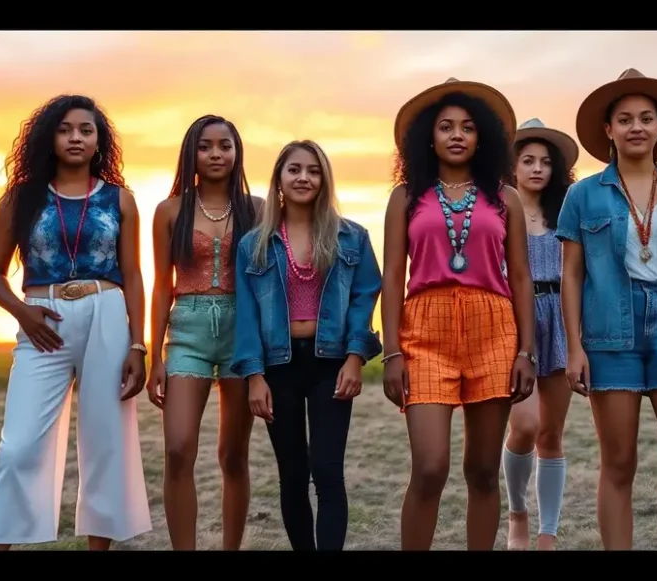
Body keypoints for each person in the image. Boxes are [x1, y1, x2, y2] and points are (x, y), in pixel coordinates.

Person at [0, 94, 152, 551]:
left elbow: (132, 274)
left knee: (106, 444)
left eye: (86, 130)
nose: (76, 137)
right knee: (19, 447)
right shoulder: (21, 198)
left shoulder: (121, 199)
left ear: (99, 141)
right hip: (42, 320)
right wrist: (22, 313)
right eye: (65, 129)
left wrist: (139, 345)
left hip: (107, 314)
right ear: (49, 137)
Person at [558, 68, 657, 550]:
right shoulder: (583, 193)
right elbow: (572, 274)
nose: (636, 127)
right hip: (610, 329)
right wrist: (574, 346)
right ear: (607, 130)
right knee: (619, 462)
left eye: (646, 118)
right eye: (624, 119)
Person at [381, 78, 538, 551]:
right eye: (445, 126)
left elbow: (522, 278)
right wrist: (391, 351)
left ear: (481, 137)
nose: (456, 135)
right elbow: (392, 276)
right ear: (427, 136)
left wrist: (526, 350)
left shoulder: (504, 197)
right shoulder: (405, 197)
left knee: (484, 471)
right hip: (424, 330)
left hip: (494, 329)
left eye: (467, 127)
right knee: (430, 469)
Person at [232, 140, 382, 551]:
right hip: (277, 368)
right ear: (279, 178)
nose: (303, 177)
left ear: (324, 179)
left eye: (313, 171)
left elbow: (365, 297)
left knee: (328, 471)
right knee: (293, 474)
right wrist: (254, 376)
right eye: (294, 170)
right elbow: (245, 314)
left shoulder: (351, 237)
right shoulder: (254, 245)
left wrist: (355, 358)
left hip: (330, 363)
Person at [146, 115, 261, 550]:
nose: (216, 154)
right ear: (191, 152)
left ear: (236, 152)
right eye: (206, 146)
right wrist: (153, 356)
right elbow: (161, 285)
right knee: (178, 448)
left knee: (234, 455)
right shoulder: (170, 210)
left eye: (225, 145)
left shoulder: (258, 209)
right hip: (188, 331)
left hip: (241, 332)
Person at [501, 117, 578, 550]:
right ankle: (517, 512)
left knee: (551, 433)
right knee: (525, 425)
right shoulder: (499, 212)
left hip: (561, 319)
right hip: (517, 322)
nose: (536, 169)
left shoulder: (567, 213)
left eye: (545, 162)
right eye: (527, 160)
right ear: (511, 166)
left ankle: (548, 531)